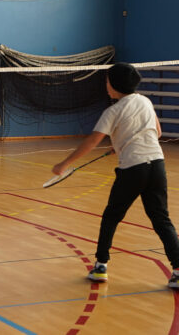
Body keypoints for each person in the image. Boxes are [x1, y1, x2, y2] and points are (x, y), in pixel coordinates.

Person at [52, 62, 179, 288]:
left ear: (114, 84)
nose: (106, 84)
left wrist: (64, 164)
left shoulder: (112, 111)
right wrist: (121, 144)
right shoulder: (145, 101)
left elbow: (93, 141)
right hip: (157, 165)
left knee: (111, 216)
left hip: (133, 168)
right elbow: (157, 132)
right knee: (161, 218)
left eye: (107, 80)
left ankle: (101, 266)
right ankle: (178, 270)